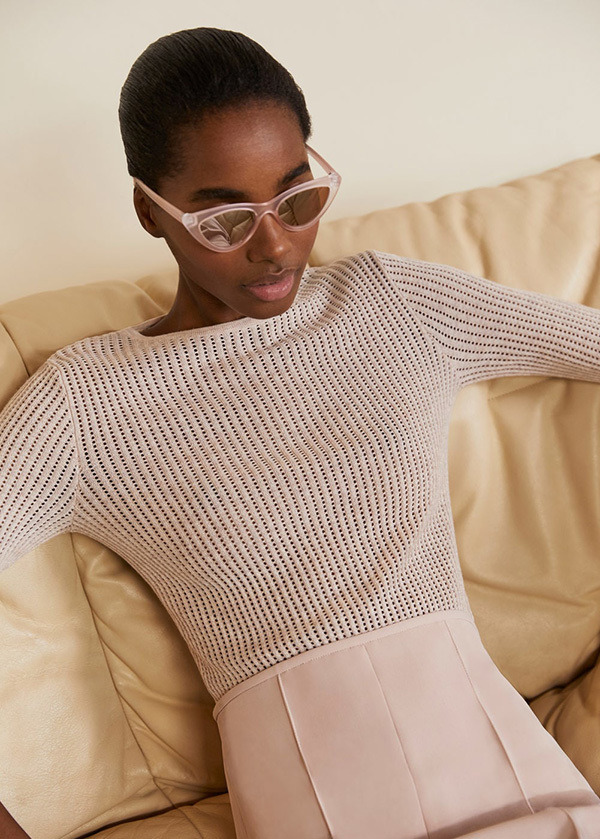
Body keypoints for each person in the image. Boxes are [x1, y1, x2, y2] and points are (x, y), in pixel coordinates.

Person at [1, 26, 600, 839]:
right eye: (226, 221)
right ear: (151, 211)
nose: (277, 245)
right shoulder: (87, 404)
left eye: (297, 198)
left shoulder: (393, 303)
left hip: (516, 781)